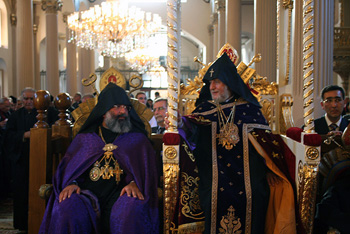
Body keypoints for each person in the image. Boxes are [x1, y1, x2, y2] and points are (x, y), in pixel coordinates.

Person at [168, 53, 297, 233]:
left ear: (229, 83)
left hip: (249, 174)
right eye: (210, 83)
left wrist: (269, 169)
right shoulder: (205, 109)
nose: (212, 87)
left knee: (258, 193)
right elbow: (192, 129)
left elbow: (267, 145)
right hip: (212, 173)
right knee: (210, 195)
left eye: (217, 82)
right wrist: (180, 124)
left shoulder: (249, 110)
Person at [40, 83, 159, 234]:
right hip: (86, 195)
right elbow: (70, 168)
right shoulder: (85, 139)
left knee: (131, 209)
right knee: (67, 207)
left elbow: (146, 171)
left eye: (126, 107)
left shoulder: (137, 140)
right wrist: (72, 182)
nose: (123, 111)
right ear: (103, 111)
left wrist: (135, 182)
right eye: (117, 107)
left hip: (121, 195)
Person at [4, 87, 58, 232]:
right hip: (21, 160)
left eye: (31, 99)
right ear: (21, 100)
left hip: (43, 160)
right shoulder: (16, 116)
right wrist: (24, 135)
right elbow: (8, 136)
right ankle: (22, 225)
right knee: (21, 194)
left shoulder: (49, 113)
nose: (29, 102)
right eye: (26, 99)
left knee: (42, 192)